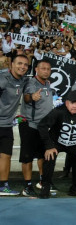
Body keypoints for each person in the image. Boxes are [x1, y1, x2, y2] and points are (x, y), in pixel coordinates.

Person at [37, 90, 76, 198]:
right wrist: (49, 146)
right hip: (56, 142)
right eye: (72, 103)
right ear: (66, 103)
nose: (75, 106)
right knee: (49, 157)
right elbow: (42, 126)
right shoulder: (58, 111)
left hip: (74, 143)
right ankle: (45, 186)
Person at [19, 59, 54, 197]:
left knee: (42, 155)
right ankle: (27, 186)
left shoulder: (47, 84)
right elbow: (27, 97)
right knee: (27, 157)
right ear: (36, 70)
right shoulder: (31, 82)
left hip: (43, 127)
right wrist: (32, 97)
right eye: (43, 68)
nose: (46, 71)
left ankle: (42, 181)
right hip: (29, 124)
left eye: (48, 69)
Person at [0, 54, 29, 196]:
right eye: (19, 63)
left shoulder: (24, 80)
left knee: (5, 155)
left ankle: (3, 186)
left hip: (6, 124)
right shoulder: (2, 78)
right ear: (12, 64)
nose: (22, 67)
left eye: (25, 65)